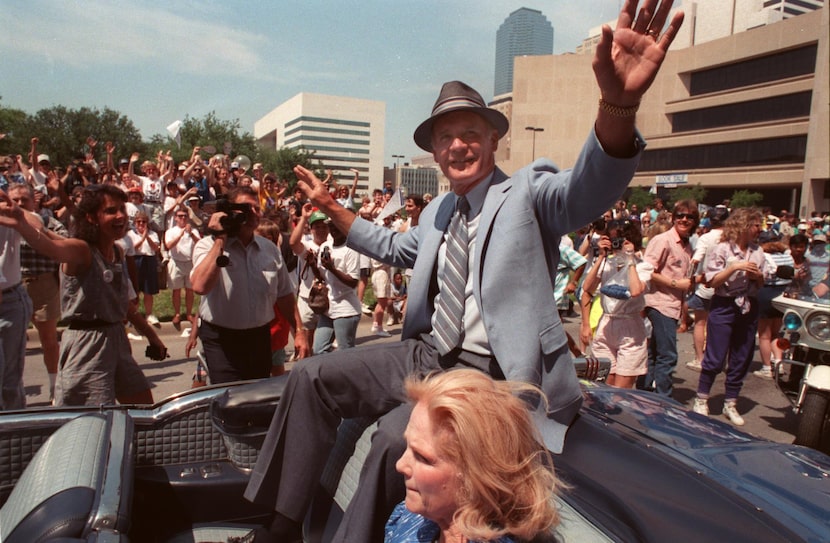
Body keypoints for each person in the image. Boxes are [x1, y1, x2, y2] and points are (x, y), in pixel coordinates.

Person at [243, 3, 684, 541]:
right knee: (310, 375)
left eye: (471, 132)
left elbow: (585, 190)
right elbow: (395, 247)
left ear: (494, 139)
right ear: (432, 150)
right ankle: (279, 524)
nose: (459, 144)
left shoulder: (526, 191)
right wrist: (335, 210)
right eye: (446, 136)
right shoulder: (435, 211)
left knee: (390, 442)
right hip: (429, 353)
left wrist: (617, 106)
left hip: (494, 372)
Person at [0, 184, 164, 406]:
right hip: (87, 344)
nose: (120, 216)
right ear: (91, 218)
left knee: (142, 409)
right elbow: (50, 247)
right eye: (110, 211)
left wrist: (152, 336)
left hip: (116, 338)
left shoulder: (117, 251)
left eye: (122, 210)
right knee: (90, 422)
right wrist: (21, 223)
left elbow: (124, 304)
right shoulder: (81, 250)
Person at [386, 369, 560, 543]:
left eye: (422, 458)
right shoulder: (411, 519)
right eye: (407, 446)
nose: (400, 465)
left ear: (476, 476)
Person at [188, 186, 308, 383]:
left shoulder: (269, 250)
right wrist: (220, 240)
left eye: (256, 208)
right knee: (229, 398)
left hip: (259, 337)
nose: (253, 213)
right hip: (221, 339)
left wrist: (299, 332)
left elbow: (285, 295)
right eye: (245, 208)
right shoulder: (207, 245)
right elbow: (200, 286)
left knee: (257, 394)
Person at [692, 208, 767, 425]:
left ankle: (730, 402)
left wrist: (758, 276)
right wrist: (734, 267)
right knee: (716, 355)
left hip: (749, 305)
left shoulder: (757, 251)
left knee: (742, 356)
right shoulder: (722, 249)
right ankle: (702, 398)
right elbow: (712, 281)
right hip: (724, 303)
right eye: (755, 225)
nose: (758, 229)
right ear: (743, 225)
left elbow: (761, 284)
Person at [9, 184, 68, 403]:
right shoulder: (5, 223)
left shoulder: (45, 220)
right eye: (16, 199)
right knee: (13, 342)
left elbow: (66, 240)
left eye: (25, 199)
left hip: (43, 283)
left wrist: (40, 230)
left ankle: (55, 387)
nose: (21, 203)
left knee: (49, 339)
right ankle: (14, 391)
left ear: (34, 201)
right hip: (14, 286)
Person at [580, 219, 652, 388]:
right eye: (613, 240)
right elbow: (587, 287)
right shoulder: (607, 264)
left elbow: (635, 291)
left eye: (620, 240)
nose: (616, 244)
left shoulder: (644, 267)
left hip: (630, 327)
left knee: (621, 393)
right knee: (603, 386)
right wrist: (601, 257)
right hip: (606, 324)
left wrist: (630, 259)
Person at [640, 200, 698, 397]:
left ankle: (645, 392)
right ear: (673, 218)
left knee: (655, 352)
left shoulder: (688, 245)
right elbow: (647, 271)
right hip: (659, 303)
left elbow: (683, 280)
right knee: (668, 354)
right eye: (680, 215)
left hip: (673, 305)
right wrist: (675, 284)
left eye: (689, 216)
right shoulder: (663, 240)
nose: (684, 219)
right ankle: (664, 399)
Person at [685, 205, 729, 372]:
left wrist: (690, 279)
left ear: (710, 220)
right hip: (725, 287)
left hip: (705, 285)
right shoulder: (731, 238)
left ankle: (700, 359)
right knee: (721, 325)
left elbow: (695, 260)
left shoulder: (706, 238)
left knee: (700, 323)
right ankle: (718, 359)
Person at [164, 206, 201, 331]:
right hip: (176, 262)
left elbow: (200, 243)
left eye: (185, 216)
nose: (183, 218)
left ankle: (189, 313)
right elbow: (168, 245)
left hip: (189, 262)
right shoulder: (171, 231)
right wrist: (181, 234)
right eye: (180, 216)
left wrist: (190, 234)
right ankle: (177, 313)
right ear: (175, 218)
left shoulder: (193, 230)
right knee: (176, 290)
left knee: (190, 290)